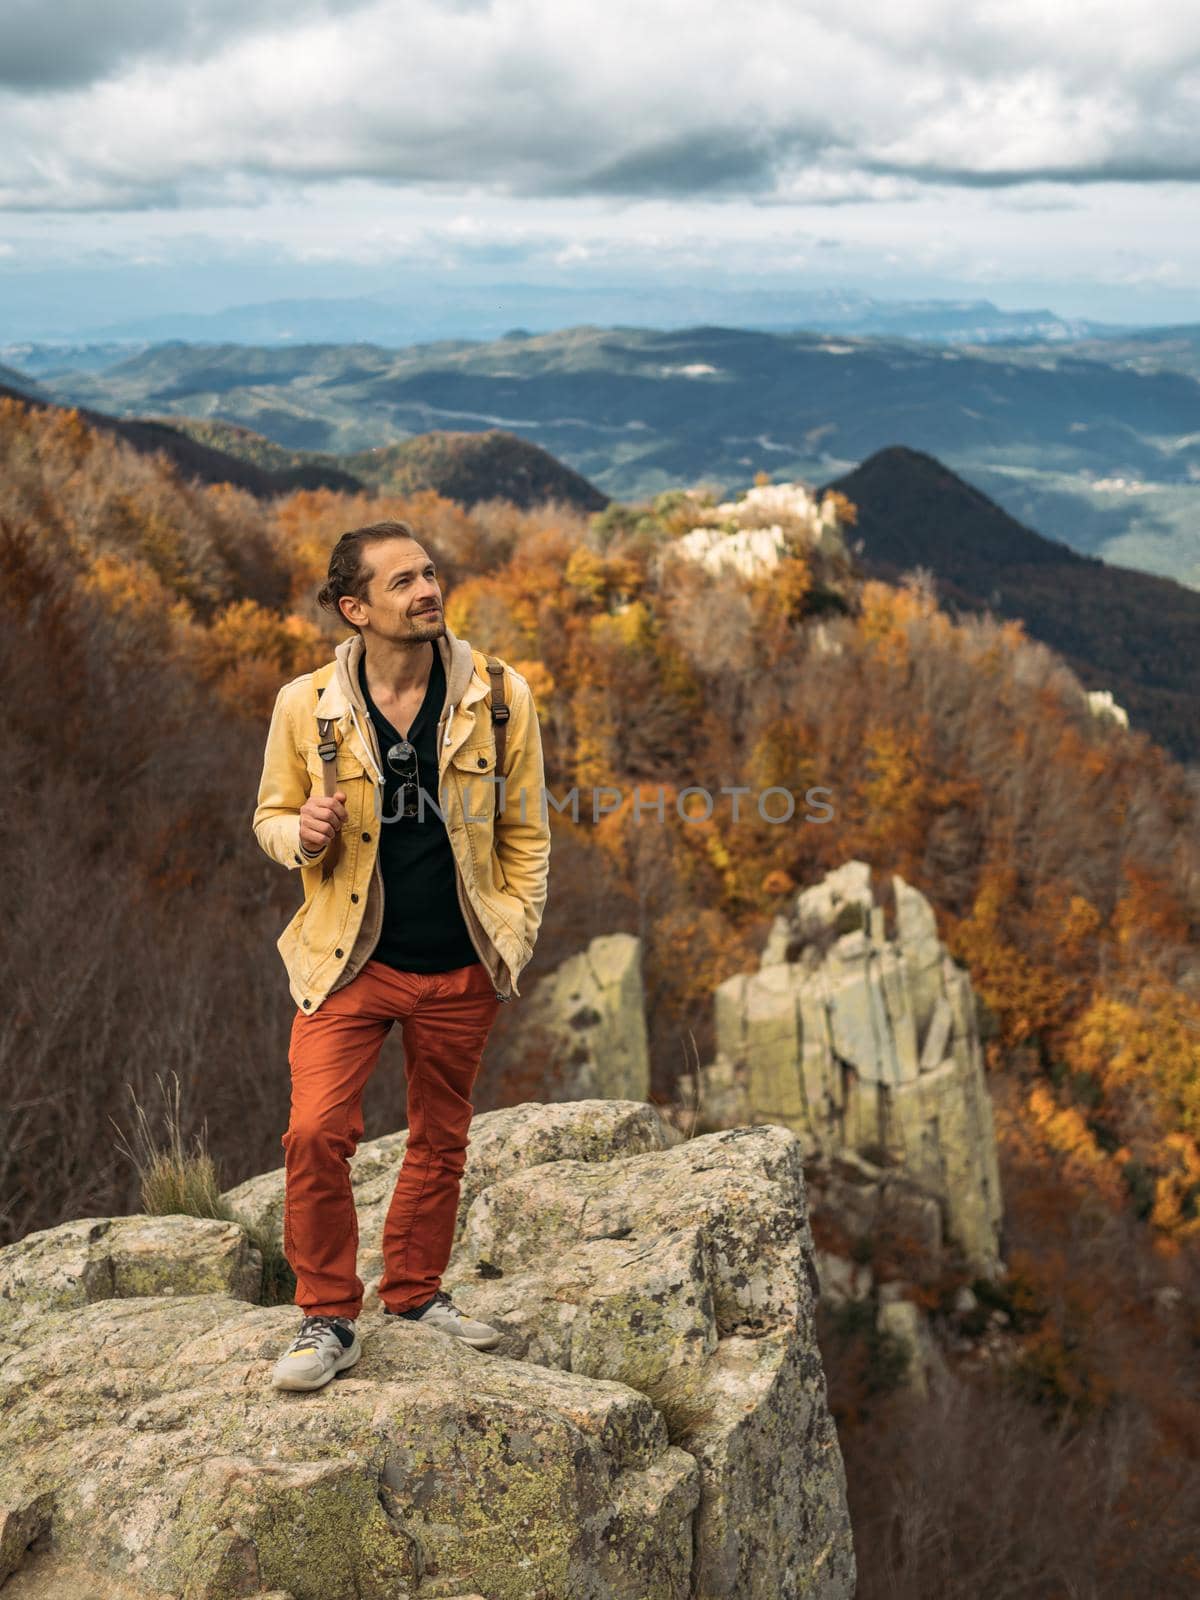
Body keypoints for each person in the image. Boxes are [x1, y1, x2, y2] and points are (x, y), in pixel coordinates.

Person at [252, 519, 551, 1392]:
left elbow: (525, 829)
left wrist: (515, 931)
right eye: (402, 583)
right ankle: (328, 1318)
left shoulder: (499, 696)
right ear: (355, 609)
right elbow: (270, 815)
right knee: (315, 1132)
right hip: (351, 959)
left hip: (462, 965)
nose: (428, 591)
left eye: (429, 573)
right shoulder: (305, 707)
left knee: (441, 1137)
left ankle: (416, 1294)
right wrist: (299, 834)